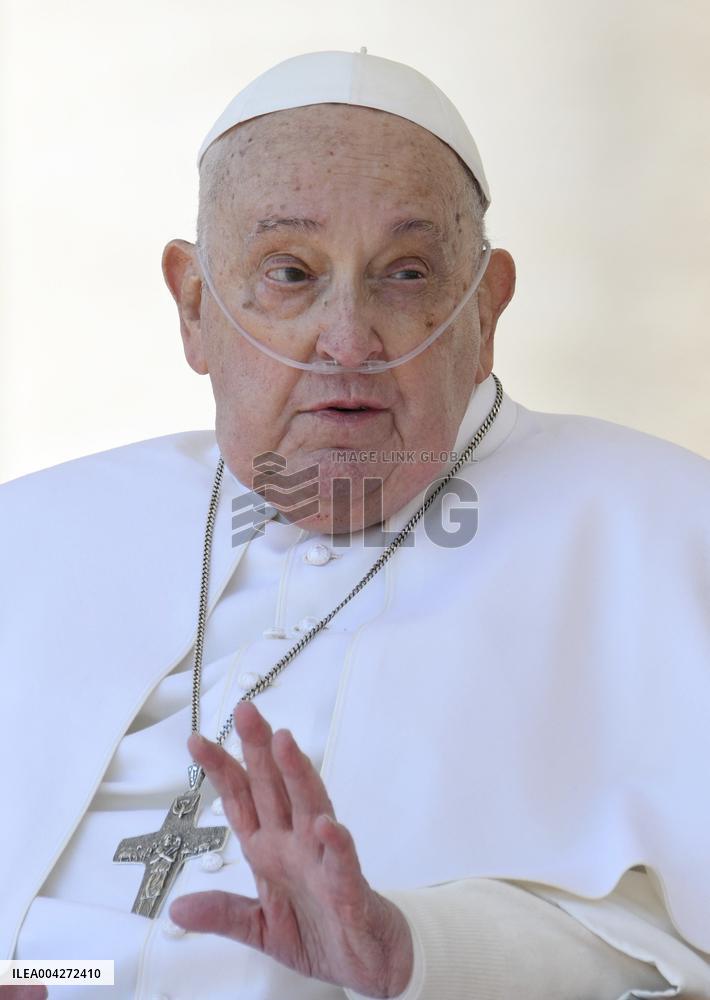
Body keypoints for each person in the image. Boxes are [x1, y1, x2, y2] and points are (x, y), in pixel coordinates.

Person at [1, 47, 709, 1000]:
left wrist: (419, 952)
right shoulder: (34, 532)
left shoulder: (660, 527)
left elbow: (669, 953)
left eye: (406, 274)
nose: (347, 340)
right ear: (195, 305)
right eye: (290, 272)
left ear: (488, 305)